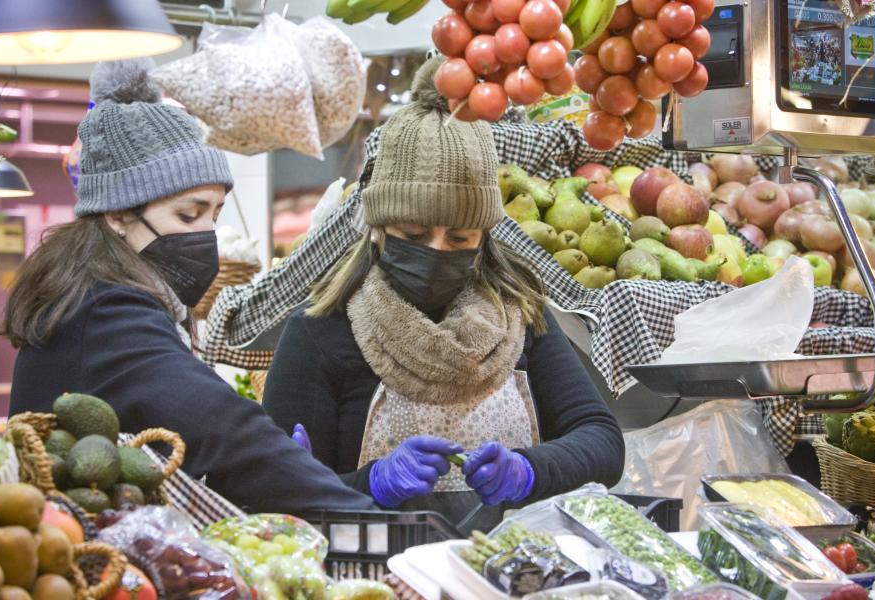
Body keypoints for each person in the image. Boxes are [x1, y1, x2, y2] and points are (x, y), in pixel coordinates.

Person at [262, 57, 625, 530]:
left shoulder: (520, 315)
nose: (436, 251)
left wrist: (530, 470)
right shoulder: (321, 332)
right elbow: (275, 491)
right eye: (413, 235)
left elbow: (602, 442)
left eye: (459, 239)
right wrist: (370, 484)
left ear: (485, 237)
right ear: (378, 228)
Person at [2, 59, 376, 515]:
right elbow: (223, 430)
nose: (205, 235)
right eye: (187, 215)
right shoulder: (106, 312)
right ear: (118, 214)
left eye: (214, 215)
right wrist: (360, 513)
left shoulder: (96, 295)